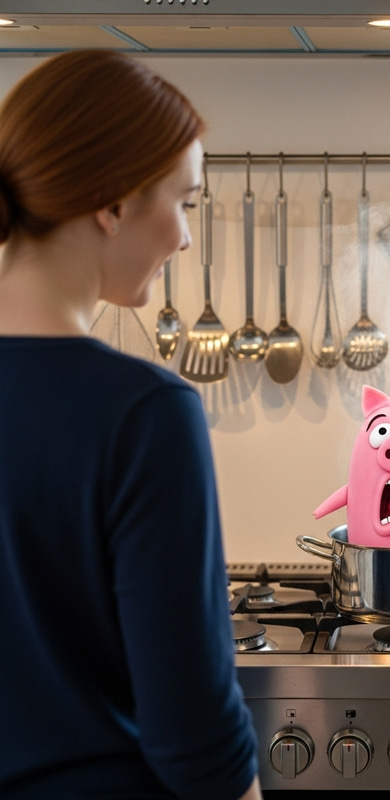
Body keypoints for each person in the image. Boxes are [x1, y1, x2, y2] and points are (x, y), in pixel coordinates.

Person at [0, 51, 261, 799]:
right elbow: (194, 737)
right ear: (111, 205)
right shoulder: (144, 413)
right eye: (184, 201)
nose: (184, 237)